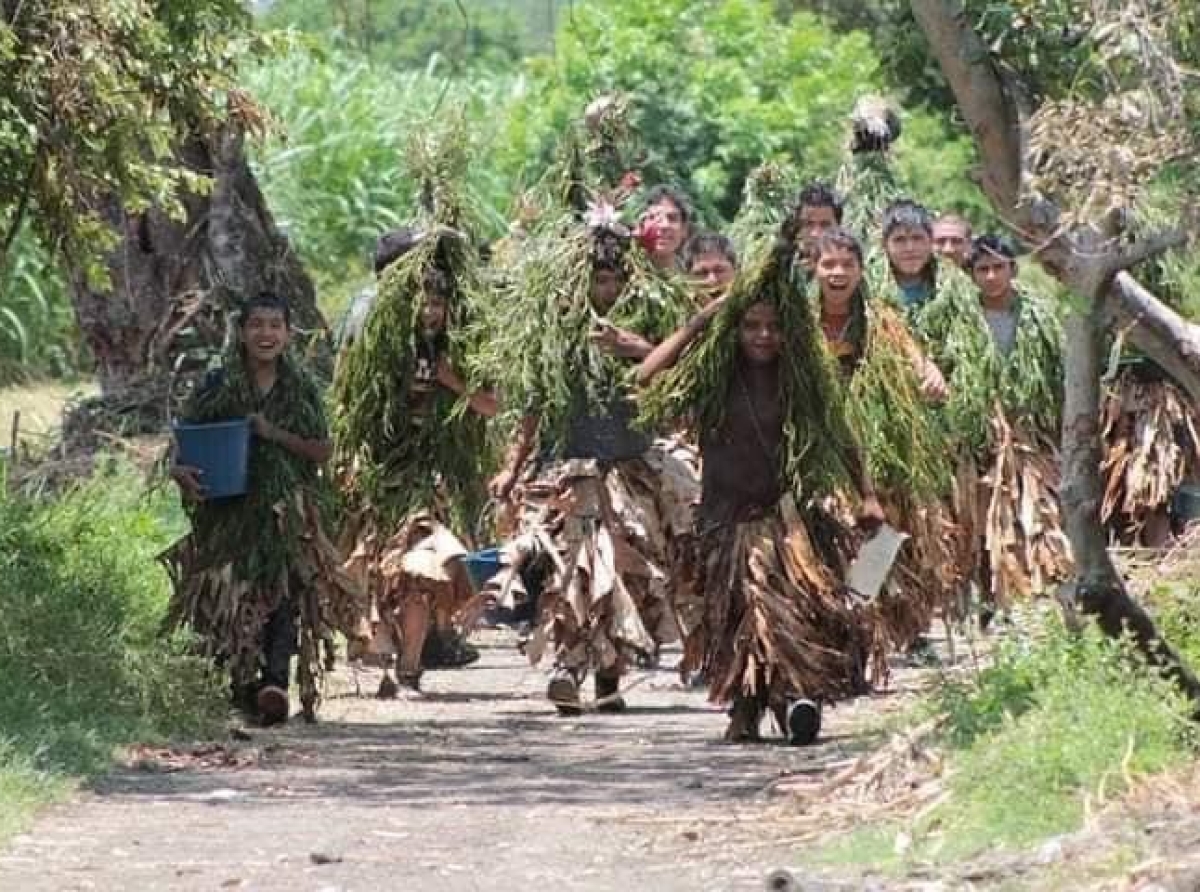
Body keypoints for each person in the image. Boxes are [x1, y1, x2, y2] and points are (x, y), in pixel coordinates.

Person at [638, 238, 883, 745]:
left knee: (789, 611)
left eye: (772, 326)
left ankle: (797, 698)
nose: (763, 336)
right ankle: (746, 706)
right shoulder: (712, 380)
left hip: (785, 517)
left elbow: (843, 433)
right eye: (751, 326)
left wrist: (868, 496)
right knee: (735, 617)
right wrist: (708, 316)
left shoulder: (802, 380)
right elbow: (646, 375)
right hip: (725, 519)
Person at [488, 223, 690, 713]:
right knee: (570, 570)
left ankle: (607, 675)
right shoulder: (558, 337)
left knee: (625, 571)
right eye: (597, 280)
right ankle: (568, 668)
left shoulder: (650, 323)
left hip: (632, 470)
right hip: (571, 473)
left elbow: (683, 381)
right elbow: (535, 405)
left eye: (614, 279)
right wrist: (513, 467)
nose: (607, 290)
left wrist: (637, 349)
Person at [165, 293, 366, 726]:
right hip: (228, 510)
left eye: (275, 325)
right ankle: (238, 686)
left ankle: (275, 680)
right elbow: (184, 440)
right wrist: (180, 471)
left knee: (285, 589)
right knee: (234, 593)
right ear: (241, 333)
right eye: (257, 325)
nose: (266, 334)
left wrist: (271, 432)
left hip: (286, 507)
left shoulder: (301, 389)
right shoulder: (218, 386)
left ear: (288, 334)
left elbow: (322, 450)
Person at [335, 228, 497, 697]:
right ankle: (383, 649)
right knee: (375, 568)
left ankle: (409, 666)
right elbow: (346, 395)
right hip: (377, 466)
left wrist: (448, 379)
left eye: (434, 297)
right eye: (416, 293)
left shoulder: (459, 338)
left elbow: (491, 404)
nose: (426, 307)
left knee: (421, 568)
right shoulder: (369, 325)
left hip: (431, 473)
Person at [780, 181, 843, 273]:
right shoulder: (777, 266)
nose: (815, 234)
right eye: (808, 224)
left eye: (825, 225)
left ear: (838, 227)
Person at [639, 185, 694, 272]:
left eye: (672, 218)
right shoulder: (616, 271)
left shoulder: (695, 277)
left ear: (684, 229)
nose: (664, 225)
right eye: (654, 217)